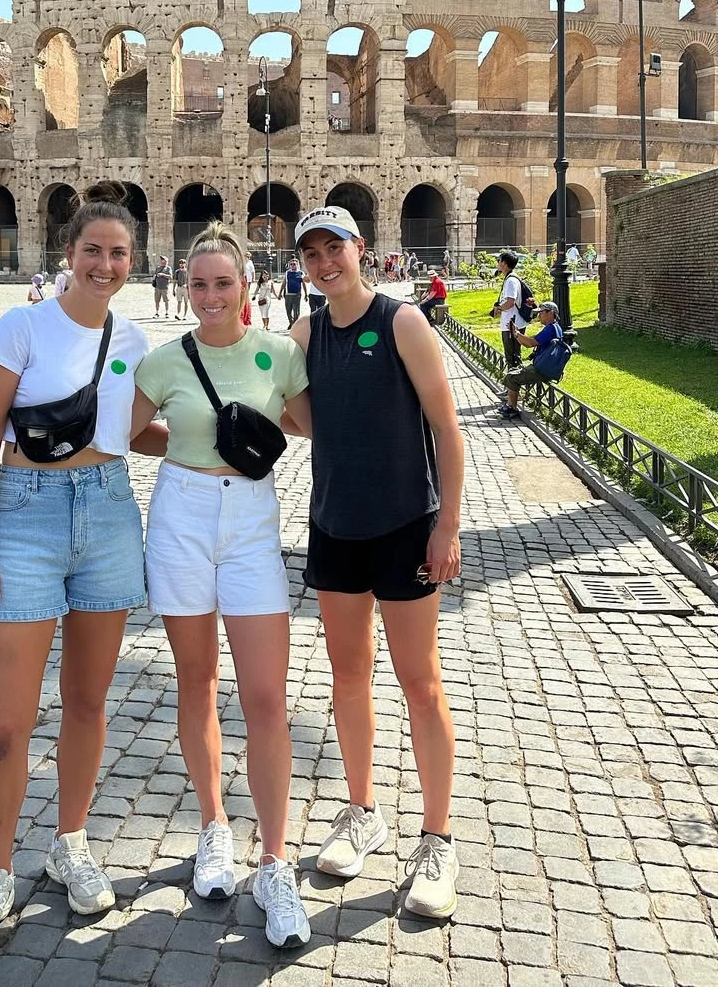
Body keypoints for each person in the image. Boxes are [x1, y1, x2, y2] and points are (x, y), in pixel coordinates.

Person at [0, 183, 158, 963]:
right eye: (92, 250)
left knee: (87, 703)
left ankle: (70, 841)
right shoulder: (20, 326)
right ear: (67, 255)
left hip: (107, 512)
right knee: (7, 724)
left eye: (118, 254)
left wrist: (229, 434)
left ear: (132, 263)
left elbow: (135, 434)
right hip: (25, 513)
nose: (105, 264)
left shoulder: (135, 344)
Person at [132, 221, 313, 949]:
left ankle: (274, 859)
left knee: (267, 697)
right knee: (197, 682)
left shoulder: (279, 353)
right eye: (199, 283)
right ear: (186, 284)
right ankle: (214, 826)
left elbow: (303, 422)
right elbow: (126, 431)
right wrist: (187, 448)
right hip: (179, 513)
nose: (210, 295)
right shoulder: (163, 361)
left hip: (249, 523)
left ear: (248, 286)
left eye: (223, 283)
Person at [288, 205, 464, 920]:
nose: (325, 262)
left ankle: (438, 837)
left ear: (361, 249)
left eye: (336, 248)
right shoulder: (303, 333)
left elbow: (447, 429)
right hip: (336, 524)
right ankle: (362, 810)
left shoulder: (402, 323)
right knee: (348, 674)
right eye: (312, 253)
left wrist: (448, 526)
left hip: (404, 524)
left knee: (420, 682)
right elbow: (293, 416)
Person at [499, 301, 564, 419]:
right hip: (546, 367)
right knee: (514, 370)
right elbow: (530, 341)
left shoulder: (550, 329)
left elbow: (530, 343)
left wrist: (516, 333)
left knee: (512, 377)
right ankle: (509, 404)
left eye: (541, 313)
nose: (539, 316)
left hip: (542, 370)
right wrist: (516, 334)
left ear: (551, 313)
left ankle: (512, 408)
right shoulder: (555, 327)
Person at [490, 251, 525, 370]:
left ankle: (514, 385)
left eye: (498, 260)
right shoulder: (510, 278)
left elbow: (510, 302)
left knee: (513, 356)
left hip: (512, 323)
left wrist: (499, 308)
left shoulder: (511, 280)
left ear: (504, 263)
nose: (497, 263)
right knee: (513, 355)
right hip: (512, 322)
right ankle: (514, 384)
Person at [282, 257, 305, 328]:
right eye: (291, 264)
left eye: (294, 264)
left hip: (297, 295)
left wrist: (306, 294)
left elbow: (304, 284)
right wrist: (280, 293)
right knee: (288, 311)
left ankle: (294, 325)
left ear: (297, 265)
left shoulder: (300, 273)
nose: (292, 265)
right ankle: (291, 322)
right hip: (288, 294)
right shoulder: (287, 273)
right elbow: (284, 283)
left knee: (296, 312)